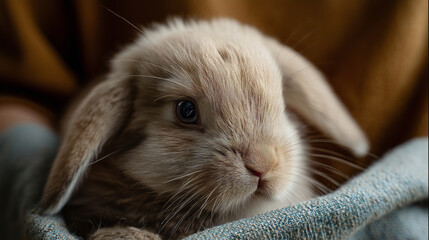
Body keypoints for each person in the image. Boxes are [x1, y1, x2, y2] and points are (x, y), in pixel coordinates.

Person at [0, 1, 427, 239]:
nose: (263, 160)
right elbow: (18, 85)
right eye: (187, 112)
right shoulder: (107, 173)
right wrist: (31, 181)